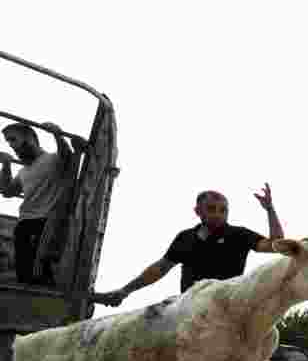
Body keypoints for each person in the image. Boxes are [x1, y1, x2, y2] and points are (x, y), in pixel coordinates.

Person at [92, 185, 283, 304]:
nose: (218, 214)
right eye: (211, 209)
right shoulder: (186, 238)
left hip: (228, 306)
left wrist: (270, 209)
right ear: (198, 211)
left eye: (223, 210)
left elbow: (276, 244)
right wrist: (125, 291)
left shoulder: (239, 235)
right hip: (190, 308)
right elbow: (159, 269)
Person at [0, 122, 82, 286]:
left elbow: (67, 158)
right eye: (8, 142)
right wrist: (7, 165)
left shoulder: (53, 159)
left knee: (40, 272)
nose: (11, 145)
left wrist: (57, 135)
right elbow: (8, 192)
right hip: (23, 224)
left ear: (31, 138)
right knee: (23, 272)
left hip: (45, 221)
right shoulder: (24, 171)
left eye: (13, 139)